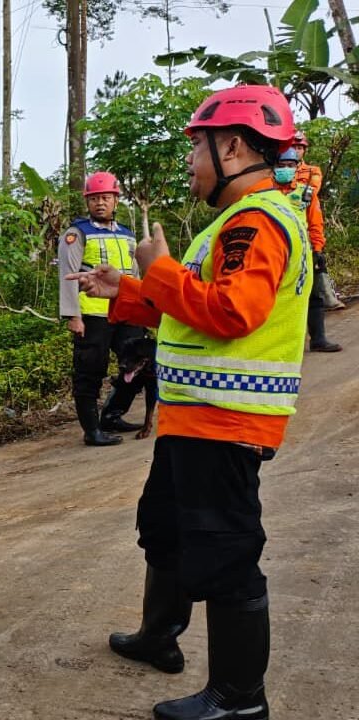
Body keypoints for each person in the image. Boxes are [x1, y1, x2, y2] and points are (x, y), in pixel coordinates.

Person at [70, 84, 308, 720]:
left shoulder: (257, 223)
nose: (191, 164)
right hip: (191, 418)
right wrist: (128, 285)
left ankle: (239, 699)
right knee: (167, 528)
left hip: (226, 423)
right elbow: (186, 309)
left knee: (227, 552)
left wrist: (163, 268)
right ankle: (157, 636)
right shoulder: (232, 224)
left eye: (197, 150)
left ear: (232, 146)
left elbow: (232, 312)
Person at [57, 172, 147, 447]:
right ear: (87, 202)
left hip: (126, 311)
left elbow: (134, 273)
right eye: (94, 198)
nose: (100, 203)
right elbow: (68, 273)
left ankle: (112, 414)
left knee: (140, 365)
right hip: (93, 314)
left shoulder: (127, 234)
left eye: (106, 198)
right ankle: (92, 430)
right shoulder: (77, 233)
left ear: (116, 200)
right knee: (89, 372)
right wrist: (73, 315)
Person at [274, 148, 342, 352]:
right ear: (273, 167)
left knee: (313, 295)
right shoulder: (265, 193)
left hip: (303, 252)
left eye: (290, 165)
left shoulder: (306, 193)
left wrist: (318, 249)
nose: (286, 169)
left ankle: (318, 339)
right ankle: (281, 343)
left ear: (297, 168)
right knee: (278, 298)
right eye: (281, 165)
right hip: (276, 251)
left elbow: (315, 223)